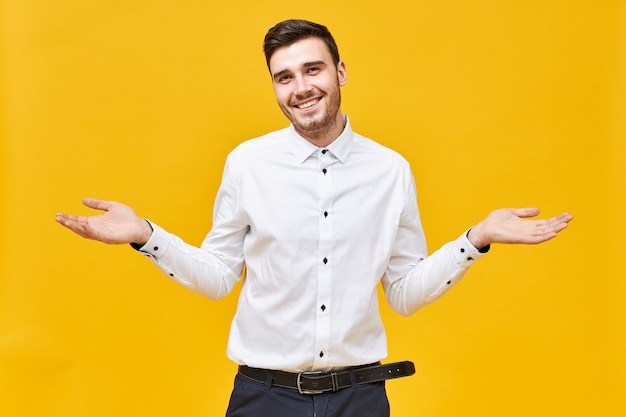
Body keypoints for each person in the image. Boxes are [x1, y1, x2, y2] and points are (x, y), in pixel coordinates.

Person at [56, 19, 573, 417]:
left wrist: (476, 238)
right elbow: (217, 277)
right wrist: (146, 236)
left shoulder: (391, 170)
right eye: (284, 77)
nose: (300, 87)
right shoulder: (247, 163)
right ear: (275, 88)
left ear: (340, 72)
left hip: (361, 398)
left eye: (312, 69)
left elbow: (404, 292)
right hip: (265, 398)